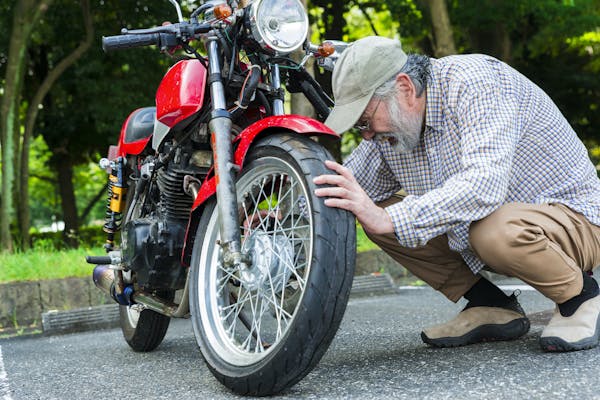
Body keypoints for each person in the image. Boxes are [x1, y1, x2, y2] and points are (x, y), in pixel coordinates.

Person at [314, 36, 600, 352]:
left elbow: (483, 188)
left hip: (576, 221)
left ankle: (580, 297)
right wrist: (283, 214)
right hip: (492, 235)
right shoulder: (389, 133)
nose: (365, 134)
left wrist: (389, 217)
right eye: (359, 127)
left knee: (489, 230)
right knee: (361, 204)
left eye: (366, 120)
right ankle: (490, 304)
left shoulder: (477, 83)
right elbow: (343, 186)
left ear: (405, 89)